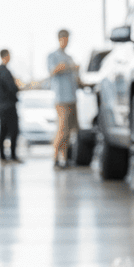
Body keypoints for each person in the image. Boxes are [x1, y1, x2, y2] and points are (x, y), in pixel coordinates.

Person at [47, 28, 80, 168]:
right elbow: (52, 71)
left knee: (68, 130)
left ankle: (64, 159)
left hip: (72, 98)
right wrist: (65, 67)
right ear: (60, 39)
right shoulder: (53, 56)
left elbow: (76, 78)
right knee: (61, 129)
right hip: (61, 99)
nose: (67, 42)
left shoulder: (69, 57)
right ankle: (55, 158)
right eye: (65, 39)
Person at [0, 49, 21, 163]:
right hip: (8, 106)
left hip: (0, 106)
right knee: (14, 130)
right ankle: (13, 156)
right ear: (6, 56)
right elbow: (12, 88)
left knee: (3, 130)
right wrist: (17, 87)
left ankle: (2, 157)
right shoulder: (5, 71)